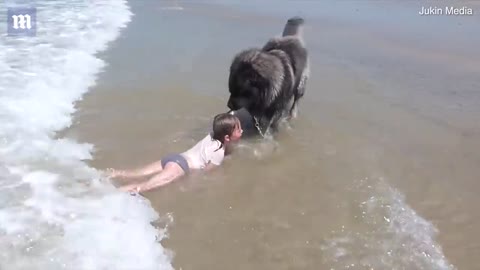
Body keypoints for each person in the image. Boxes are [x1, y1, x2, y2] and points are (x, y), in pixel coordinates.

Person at [108, 113, 243, 193]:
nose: (242, 131)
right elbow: (206, 172)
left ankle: (105, 175)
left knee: (132, 173)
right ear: (226, 137)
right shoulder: (218, 154)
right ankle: (109, 195)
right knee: (142, 188)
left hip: (175, 158)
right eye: (239, 130)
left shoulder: (212, 135)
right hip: (180, 167)